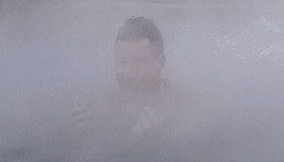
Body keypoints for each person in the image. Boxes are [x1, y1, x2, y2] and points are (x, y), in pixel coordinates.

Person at [71, 16, 200, 145]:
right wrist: (78, 134)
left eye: (139, 62)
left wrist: (160, 144)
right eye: (122, 62)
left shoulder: (185, 106)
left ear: (160, 62)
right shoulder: (104, 103)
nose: (128, 74)